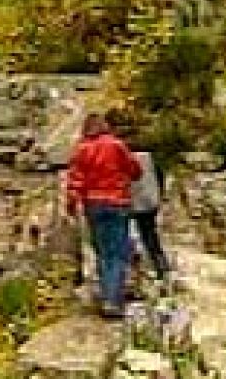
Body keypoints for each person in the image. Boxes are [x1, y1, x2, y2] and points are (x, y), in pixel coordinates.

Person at [65, 113, 142, 318]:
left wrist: (71, 205)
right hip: (118, 202)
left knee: (103, 252)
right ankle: (113, 300)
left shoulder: (82, 150)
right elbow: (135, 170)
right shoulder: (116, 145)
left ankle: (107, 296)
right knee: (118, 252)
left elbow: (75, 181)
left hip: (94, 205)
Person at [128, 149, 172, 285]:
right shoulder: (151, 156)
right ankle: (161, 265)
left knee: (131, 234)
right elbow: (160, 176)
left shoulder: (123, 156)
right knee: (150, 234)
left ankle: (135, 268)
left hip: (132, 200)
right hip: (150, 200)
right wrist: (160, 195)